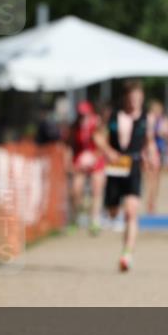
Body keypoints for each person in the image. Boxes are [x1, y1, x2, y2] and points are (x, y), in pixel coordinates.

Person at [97, 81, 158, 272]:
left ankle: (127, 253)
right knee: (113, 212)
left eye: (138, 99)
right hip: (115, 168)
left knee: (131, 211)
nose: (135, 103)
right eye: (132, 99)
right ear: (125, 98)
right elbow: (97, 137)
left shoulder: (146, 118)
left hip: (133, 167)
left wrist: (152, 155)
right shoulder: (113, 115)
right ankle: (113, 211)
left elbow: (149, 142)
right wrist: (108, 151)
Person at [69, 100, 106, 235]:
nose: (83, 117)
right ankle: (74, 219)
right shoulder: (75, 127)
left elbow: (103, 146)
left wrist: (93, 158)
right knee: (75, 190)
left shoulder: (97, 124)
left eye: (85, 114)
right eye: (81, 114)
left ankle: (95, 221)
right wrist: (73, 162)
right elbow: (71, 145)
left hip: (96, 160)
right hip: (80, 161)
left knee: (97, 189)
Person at [145, 100, 168, 214]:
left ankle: (153, 201)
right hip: (151, 151)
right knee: (150, 178)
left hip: (160, 151)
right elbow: (149, 136)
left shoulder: (162, 120)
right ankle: (150, 202)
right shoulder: (150, 119)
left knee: (156, 178)